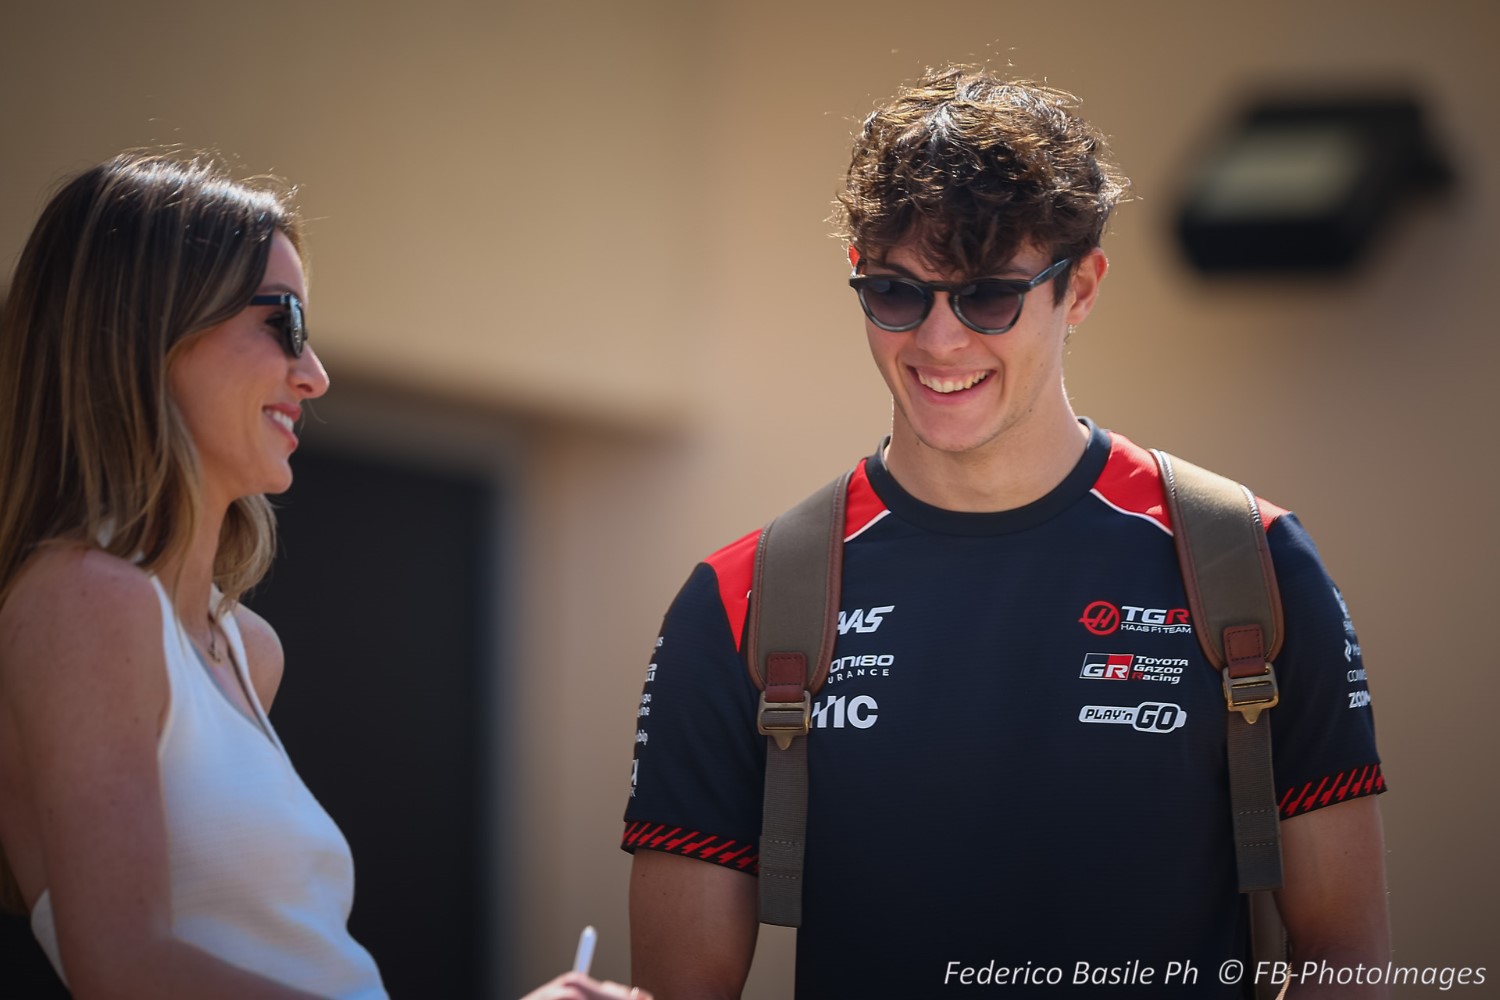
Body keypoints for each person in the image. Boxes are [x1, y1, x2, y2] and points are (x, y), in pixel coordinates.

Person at [622, 67, 1390, 998]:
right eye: (896, 293)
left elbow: (1348, 961)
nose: (939, 341)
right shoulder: (740, 600)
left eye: (988, 297)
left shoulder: (1251, 565)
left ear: (1083, 287)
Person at [0, 153, 648, 1000]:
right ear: (148, 328)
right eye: (285, 321)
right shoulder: (85, 600)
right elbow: (127, 970)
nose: (315, 374)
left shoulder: (245, 649)